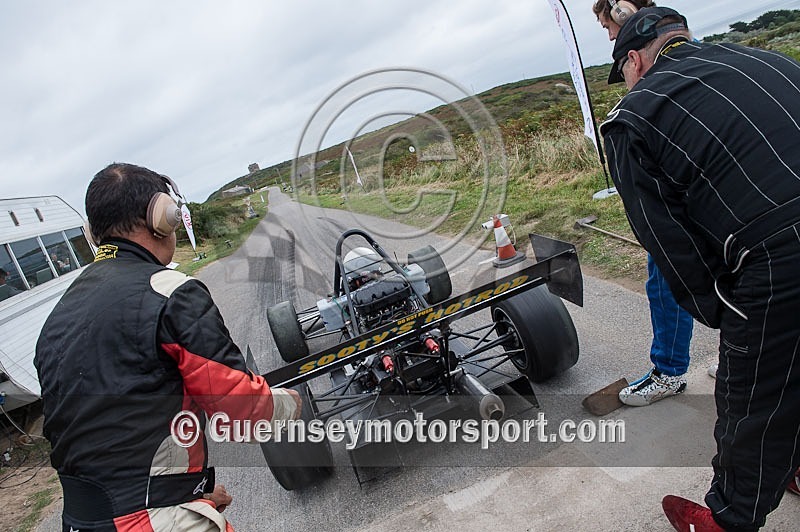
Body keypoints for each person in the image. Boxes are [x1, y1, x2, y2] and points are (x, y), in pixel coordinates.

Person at [600, 7, 800, 531]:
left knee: (752, 403)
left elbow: (671, 245)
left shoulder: (631, 119)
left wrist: (724, 313)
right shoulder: (769, 60)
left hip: (778, 259)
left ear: (636, 59)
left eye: (622, 68)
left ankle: (728, 520)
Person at [34, 163, 302, 532]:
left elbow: (113, 424)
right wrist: (288, 403)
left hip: (82, 520)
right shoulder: (168, 290)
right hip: (149, 520)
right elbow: (238, 406)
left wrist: (190, 498)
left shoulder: (58, 318)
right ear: (164, 217)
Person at [592, 0, 695, 407]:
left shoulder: (655, 82)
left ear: (623, 14)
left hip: (683, 196)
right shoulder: (692, 53)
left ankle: (668, 372)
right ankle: (740, 352)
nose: (612, 36)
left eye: (608, 27)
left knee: (665, 279)